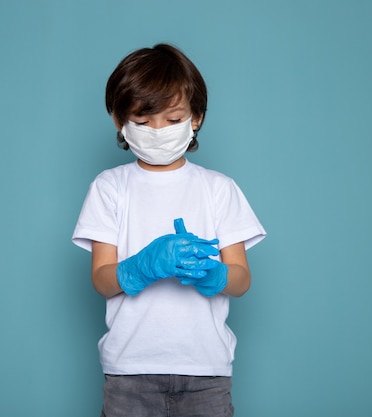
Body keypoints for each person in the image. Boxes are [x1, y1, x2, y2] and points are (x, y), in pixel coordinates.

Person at [72, 43, 266, 417]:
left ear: (196, 118)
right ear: (120, 121)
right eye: (143, 123)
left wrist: (217, 274)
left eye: (173, 119)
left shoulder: (218, 189)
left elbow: (242, 280)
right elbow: (101, 278)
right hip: (129, 371)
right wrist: (143, 266)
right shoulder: (109, 187)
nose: (158, 131)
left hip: (206, 371)